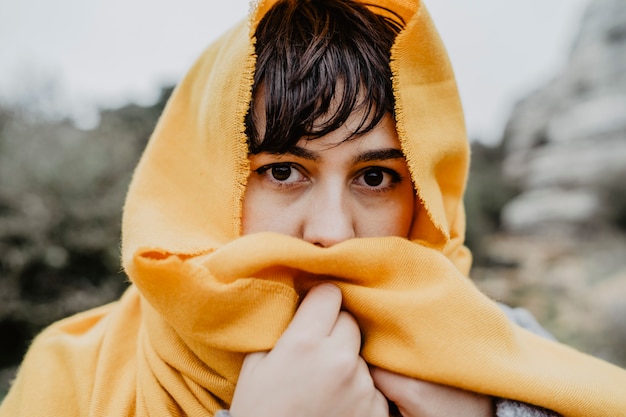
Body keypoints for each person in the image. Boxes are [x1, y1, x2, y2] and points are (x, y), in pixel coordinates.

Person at [1, 0, 626, 416]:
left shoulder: (507, 355)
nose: (331, 231)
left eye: (376, 177)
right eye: (282, 171)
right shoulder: (72, 376)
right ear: (205, 184)